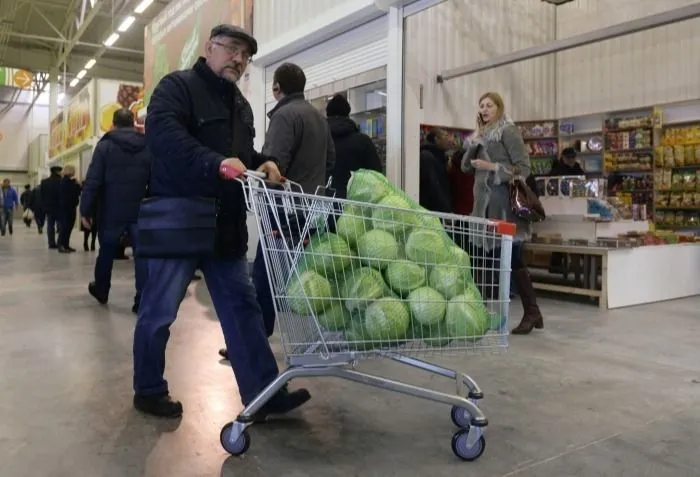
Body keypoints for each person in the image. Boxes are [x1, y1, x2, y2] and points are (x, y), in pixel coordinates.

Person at [134, 24, 310, 418]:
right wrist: (215, 164)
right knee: (159, 311)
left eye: (245, 55)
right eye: (231, 49)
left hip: (225, 225)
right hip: (179, 219)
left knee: (243, 309)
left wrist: (262, 161)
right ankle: (147, 389)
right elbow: (164, 138)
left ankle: (263, 395)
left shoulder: (240, 105)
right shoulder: (175, 88)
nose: (238, 59)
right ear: (210, 48)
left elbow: (239, 153)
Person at [218, 63, 336, 360]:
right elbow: (331, 160)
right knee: (305, 271)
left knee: (265, 274)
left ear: (276, 87)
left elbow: (273, 164)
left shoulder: (285, 115)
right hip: (310, 208)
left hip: (284, 206)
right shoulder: (319, 118)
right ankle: (319, 335)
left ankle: (253, 340)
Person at [462, 92, 544, 335]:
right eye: (481, 106)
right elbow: (465, 167)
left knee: (512, 258)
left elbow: (524, 168)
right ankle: (487, 313)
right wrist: (473, 145)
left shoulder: (508, 131)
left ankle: (531, 311)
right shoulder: (481, 135)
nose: (485, 109)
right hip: (483, 208)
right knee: (486, 258)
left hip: (504, 209)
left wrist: (493, 168)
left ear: (499, 107)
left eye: (489, 105)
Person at [80, 108, 151, 313]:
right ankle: (141, 299)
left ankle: (102, 289)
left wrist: (86, 210)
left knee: (107, 252)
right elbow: (155, 178)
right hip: (140, 210)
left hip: (111, 210)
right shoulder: (147, 145)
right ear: (133, 123)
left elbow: (93, 180)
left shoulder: (105, 146)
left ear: (113, 124)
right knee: (142, 255)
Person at [324, 93, 382, 198]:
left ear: (327, 114)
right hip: (355, 203)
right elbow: (376, 175)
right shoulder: (363, 141)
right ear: (348, 113)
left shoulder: (319, 140)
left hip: (321, 201)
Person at [419, 128, 454, 213]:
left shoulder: (438, 157)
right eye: (445, 136)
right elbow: (434, 186)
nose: (449, 140)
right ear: (436, 139)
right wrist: (446, 209)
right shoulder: (427, 157)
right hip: (432, 211)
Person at [57, 165, 81, 253]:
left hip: (68, 207)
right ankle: (61, 245)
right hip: (67, 207)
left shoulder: (66, 181)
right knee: (65, 227)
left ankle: (65, 245)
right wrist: (77, 184)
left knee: (68, 227)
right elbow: (76, 191)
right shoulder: (66, 182)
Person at [40, 166, 63, 248]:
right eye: (60, 171)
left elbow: (42, 195)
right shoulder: (62, 181)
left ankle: (51, 243)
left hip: (49, 207)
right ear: (57, 172)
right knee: (61, 225)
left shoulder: (44, 182)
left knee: (50, 226)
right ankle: (60, 242)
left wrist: (44, 206)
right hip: (60, 207)